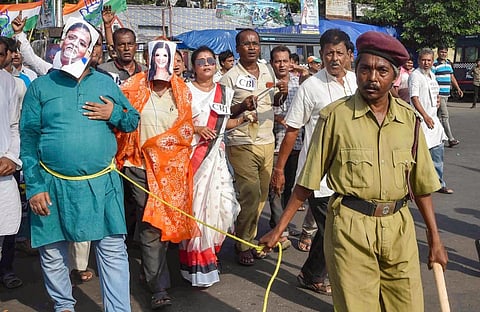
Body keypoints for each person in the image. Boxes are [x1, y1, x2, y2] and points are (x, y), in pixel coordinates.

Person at [261, 31, 448, 311]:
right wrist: (280, 227)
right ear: (356, 70)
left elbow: (421, 185)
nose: (372, 78)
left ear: (394, 76)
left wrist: (435, 238)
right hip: (350, 229)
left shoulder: (409, 120)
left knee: (408, 305)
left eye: (382, 70)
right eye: (365, 69)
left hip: (399, 228)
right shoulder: (335, 117)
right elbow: (308, 179)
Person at [20, 19, 139, 312]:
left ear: (94, 49)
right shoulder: (41, 86)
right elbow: (28, 138)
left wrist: (114, 113)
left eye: (84, 42)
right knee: (52, 251)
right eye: (70, 39)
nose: (75, 46)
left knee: (112, 250)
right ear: (61, 43)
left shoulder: (104, 83)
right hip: (50, 185)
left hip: (102, 185)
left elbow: (132, 120)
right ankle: (64, 306)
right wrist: (34, 186)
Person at [270, 29, 356, 295]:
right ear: (320, 55)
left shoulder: (356, 82)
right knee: (333, 229)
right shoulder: (311, 86)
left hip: (352, 173)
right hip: (319, 176)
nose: (334, 58)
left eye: (339, 53)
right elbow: (293, 129)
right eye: (329, 53)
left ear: (349, 56)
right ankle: (335, 280)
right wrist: (279, 169)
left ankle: (310, 272)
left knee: (330, 229)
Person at [116, 39, 199, 309]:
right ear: (149, 57)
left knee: (164, 225)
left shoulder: (182, 92)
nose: (161, 60)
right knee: (152, 225)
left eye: (167, 55)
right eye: (157, 55)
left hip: (171, 172)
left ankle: (150, 272)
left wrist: (166, 146)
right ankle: (158, 286)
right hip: (139, 167)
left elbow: (186, 131)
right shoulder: (132, 88)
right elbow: (122, 125)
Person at [179, 46, 240, 287]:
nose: (207, 64)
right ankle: (198, 265)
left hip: (216, 158)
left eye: (211, 61)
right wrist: (196, 129)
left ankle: (211, 254)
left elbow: (224, 125)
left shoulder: (225, 91)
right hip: (195, 158)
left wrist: (244, 118)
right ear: (193, 66)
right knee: (197, 213)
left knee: (225, 210)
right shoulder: (185, 91)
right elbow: (176, 123)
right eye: (201, 61)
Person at [219, 28, 275, 266]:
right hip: (241, 141)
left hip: (267, 140)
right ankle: (242, 244)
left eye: (255, 43)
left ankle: (249, 238)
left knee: (262, 194)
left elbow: (274, 102)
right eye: (246, 44)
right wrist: (241, 107)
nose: (252, 47)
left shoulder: (267, 69)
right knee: (250, 193)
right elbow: (222, 113)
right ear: (238, 48)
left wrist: (281, 95)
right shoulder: (229, 77)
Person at [267, 45, 301, 250]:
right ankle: (278, 226)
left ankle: (284, 224)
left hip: (296, 142)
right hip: (274, 143)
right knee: (276, 187)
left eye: (285, 61)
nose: (281, 64)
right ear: (272, 63)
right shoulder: (266, 83)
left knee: (291, 186)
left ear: (291, 62)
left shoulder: (299, 83)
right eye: (277, 61)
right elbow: (264, 111)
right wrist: (281, 119)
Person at [409, 48, 454, 195]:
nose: (426, 63)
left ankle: (439, 183)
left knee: (437, 153)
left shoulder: (431, 76)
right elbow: (414, 98)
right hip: (421, 121)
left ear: (432, 61)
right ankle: (413, 186)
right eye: (423, 60)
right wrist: (425, 116)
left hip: (433, 122)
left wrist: (438, 98)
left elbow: (434, 92)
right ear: (419, 60)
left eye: (429, 60)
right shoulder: (415, 76)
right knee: (418, 157)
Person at [0, 38, 22, 287]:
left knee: (6, 226)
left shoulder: (9, 83)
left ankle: (6, 270)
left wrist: (12, 158)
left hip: (4, 169)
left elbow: (15, 126)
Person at [432, 46, 463, 147]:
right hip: (439, 95)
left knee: (436, 117)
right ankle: (451, 138)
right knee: (445, 116)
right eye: (442, 52)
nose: (443, 54)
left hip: (446, 94)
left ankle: (436, 137)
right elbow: (431, 79)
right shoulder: (434, 64)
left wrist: (458, 88)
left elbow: (452, 77)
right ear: (438, 53)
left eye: (445, 52)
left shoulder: (449, 63)